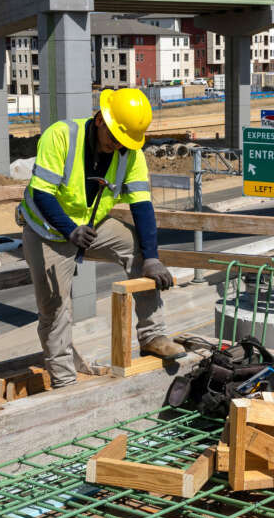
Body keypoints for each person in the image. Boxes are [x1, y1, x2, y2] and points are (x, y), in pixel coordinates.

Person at [19, 87, 182, 388]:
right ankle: (64, 381)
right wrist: (69, 230)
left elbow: (142, 206)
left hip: (90, 225)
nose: (118, 146)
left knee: (138, 248)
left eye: (124, 142)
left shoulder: (129, 153)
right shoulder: (61, 136)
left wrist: (153, 257)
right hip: (48, 229)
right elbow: (42, 192)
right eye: (114, 138)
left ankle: (153, 335)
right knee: (54, 306)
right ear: (99, 120)